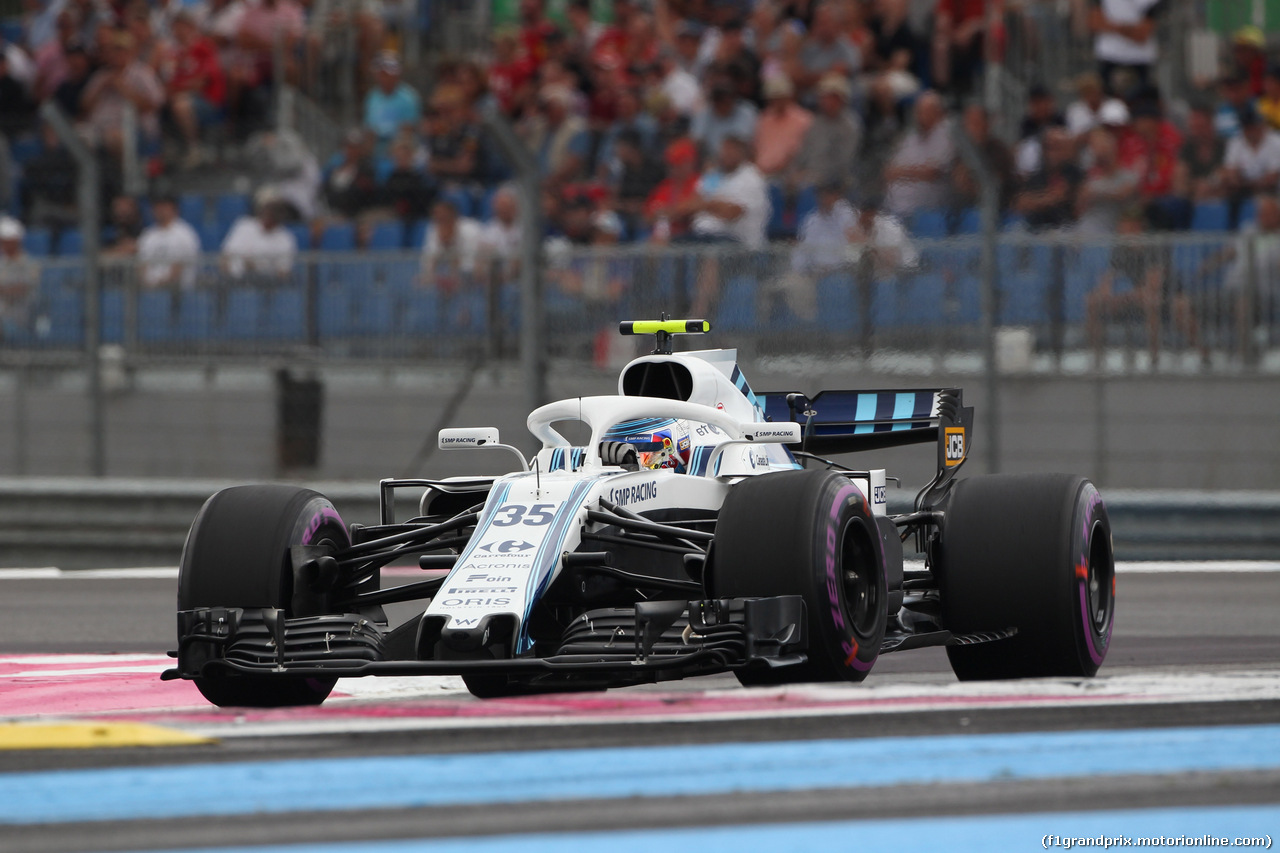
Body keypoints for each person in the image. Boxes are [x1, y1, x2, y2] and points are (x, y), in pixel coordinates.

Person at [1085, 206, 1202, 368]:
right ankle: (1096, 356)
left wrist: (1121, 298)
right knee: (1092, 301)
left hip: (1169, 293)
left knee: (1155, 302)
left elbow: (1153, 285)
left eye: (1126, 226)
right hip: (1139, 294)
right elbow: (1108, 277)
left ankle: (1158, 357)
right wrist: (1105, 294)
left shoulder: (1154, 246)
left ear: (1137, 227)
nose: (1121, 230)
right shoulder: (1120, 249)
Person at [677, 134, 770, 317]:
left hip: (742, 247)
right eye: (723, 151)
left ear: (741, 153)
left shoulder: (751, 178)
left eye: (730, 151)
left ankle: (700, 313)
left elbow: (731, 214)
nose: (725, 155)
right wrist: (713, 204)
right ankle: (661, 308)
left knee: (713, 254)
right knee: (668, 246)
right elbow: (684, 207)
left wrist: (706, 204)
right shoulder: (714, 176)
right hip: (704, 237)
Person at [80, 29, 165, 156]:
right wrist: (101, 88)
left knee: (113, 138)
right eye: (115, 50)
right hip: (98, 128)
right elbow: (84, 108)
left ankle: (126, 175)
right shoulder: (101, 75)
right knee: (74, 137)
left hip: (135, 129)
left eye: (122, 50)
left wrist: (123, 88)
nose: (118, 54)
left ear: (131, 52)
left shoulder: (142, 73)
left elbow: (155, 104)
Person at [166, 11, 226, 169]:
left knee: (181, 104)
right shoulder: (176, 53)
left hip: (208, 100)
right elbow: (170, 83)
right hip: (184, 97)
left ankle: (195, 148)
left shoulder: (204, 47)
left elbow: (203, 81)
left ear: (191, 27)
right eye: (175, 28)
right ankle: (167, 149)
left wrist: (181, 88)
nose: (177, 32)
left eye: (181, 27)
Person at [883, 90, 954, 218]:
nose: (921, 115)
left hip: (929, 211)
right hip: (895, 209)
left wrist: (903, 172)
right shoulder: (912, 136)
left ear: (938, 112)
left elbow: (931, 172)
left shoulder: (947, 133)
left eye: (927, 111)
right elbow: (889, 172)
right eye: (919, 111)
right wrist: (915, 171)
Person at [790, 72, 863, 191]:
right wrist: (794, 172)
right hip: (808, 176)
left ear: (840, 98)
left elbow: (843, 162)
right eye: (822, 97)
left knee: (806, 187)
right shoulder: (816, 122)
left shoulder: (850, 126)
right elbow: (803, 152)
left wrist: (812, 175)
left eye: (828, 97)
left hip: (834, 181)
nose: (823, 100)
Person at [1014, 127, 1083, 232]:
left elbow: (1060, 197)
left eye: (1057, 146)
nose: (1051, 152)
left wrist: (1037, 199)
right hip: (1036, 230)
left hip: (1066, 230)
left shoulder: (1076, 175)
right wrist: (1046, 198)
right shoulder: (1037, 175)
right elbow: (1021, 203)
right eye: (1048, 147)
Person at [1090, 0, 1163, 98]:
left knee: (1140, 104)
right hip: (1108, 57)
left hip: (1139, 59)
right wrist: (1129, 29)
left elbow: (1142, 34)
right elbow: (1095, 23)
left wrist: (1111, 25)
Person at [1077, 127, 1139, 237]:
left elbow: (1122, 194)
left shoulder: (1129, 177)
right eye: (1095, 147)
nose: (1098, 152)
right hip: (1086, 233)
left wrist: (1096, 193)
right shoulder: (1091, 180)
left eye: (1102, 146)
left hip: (1112, 235)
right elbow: (1079, 208)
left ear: (1112, 148)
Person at [221, 193, 298, 281]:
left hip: (267, 284)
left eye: (273, 217)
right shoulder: (244, 225)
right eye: (268, 214)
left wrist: (257, 267)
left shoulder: (286, 238)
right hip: (235, 280)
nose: (268, 219)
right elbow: (225, 257)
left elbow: (283, 272)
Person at [137, 194, 201, 291]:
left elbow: (179, 266)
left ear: (174, 209)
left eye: (164, 206)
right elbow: (142, 264)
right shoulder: (148, 235)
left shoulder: (184, 233)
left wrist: (162, 284)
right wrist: (148, 284)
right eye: (157, 207)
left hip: (179, 291)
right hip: (150, 290)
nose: (160, 210)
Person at [753, 74, 812, 178]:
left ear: (789, 96)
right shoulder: (764, 118)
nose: (777, 101)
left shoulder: (804, 120)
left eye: (780, 96)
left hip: (788, 173)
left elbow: (803, 153)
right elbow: (755, 148)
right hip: (760, 172)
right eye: (773, 97)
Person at [1223, 106, 1280, 212]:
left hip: (1274, 193)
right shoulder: (1236, 142)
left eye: (1253, 126)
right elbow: (1231, 173)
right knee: (1226, 193)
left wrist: (1245, 183)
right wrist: (1238, 181)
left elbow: (1272, 179)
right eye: (1246, 127)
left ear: (1261, 125)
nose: (1250, 131)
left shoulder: (1276, 142)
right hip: (1245, 192)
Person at [645, 137, 702, 243]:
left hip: (691, 237)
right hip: (664, 237)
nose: (674, 169)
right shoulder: (664, 186)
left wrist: (669, 212)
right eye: (672, 165)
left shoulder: (700, 182)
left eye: (679, 164)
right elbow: (648, 217)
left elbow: (690, 210)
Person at [363, 51, 421, 148]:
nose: (385, 77)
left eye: (388, 74)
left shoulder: (408, 97)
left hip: (399, 146)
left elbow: (409, 129)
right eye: (382, 73)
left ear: (397, 74)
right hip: (376, 144)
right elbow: (369, 127)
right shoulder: (372, 96)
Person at [690, 82, 757, 162]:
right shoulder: (704, 114)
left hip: (740, 161)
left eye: (727, 100)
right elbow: (696, 141)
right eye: (719, 100)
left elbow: (742, 143)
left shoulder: (746, 113)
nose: (724, 104)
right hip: (711, 160)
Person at [0, 217, 39, 339]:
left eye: (7, 240)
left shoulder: (29, 264)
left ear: (16, 240)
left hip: (18, 315)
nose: (3, 243)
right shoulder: (2, 262)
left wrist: (3, 290)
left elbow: (24, 289)